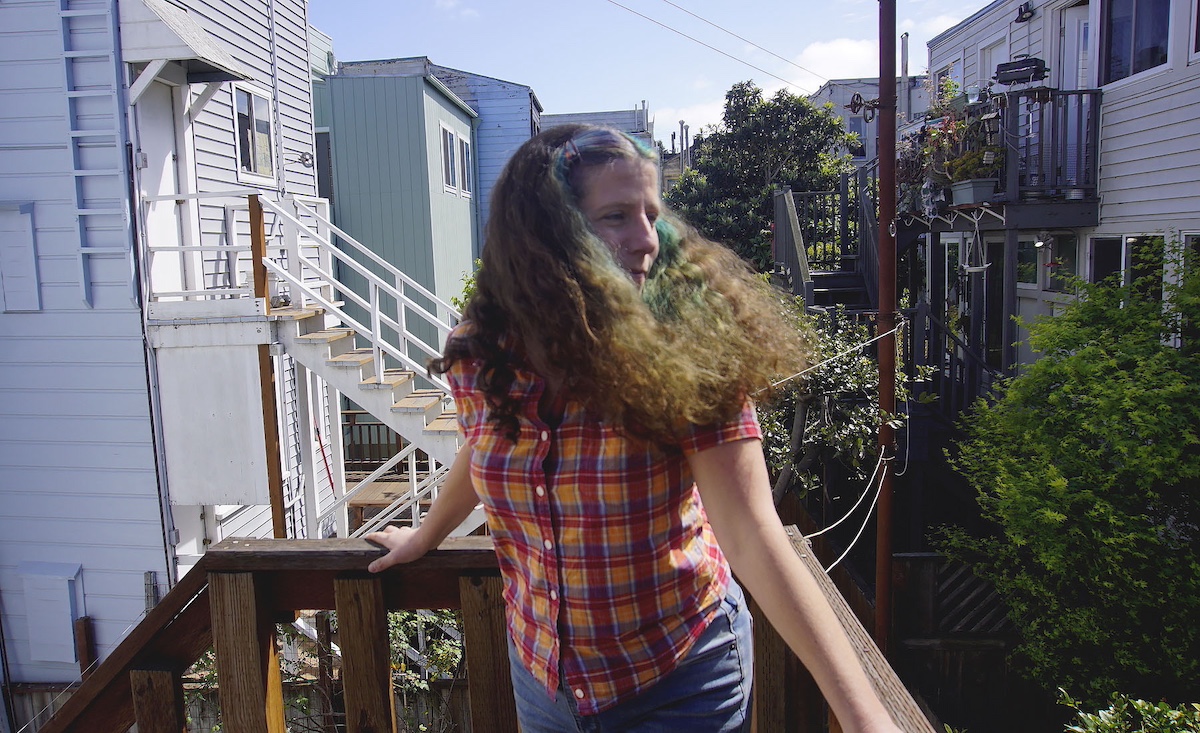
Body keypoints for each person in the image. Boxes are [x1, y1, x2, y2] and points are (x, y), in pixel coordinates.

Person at [367, 124, 902, 733]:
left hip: (677, 679)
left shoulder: (687, 351)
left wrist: (864, 719)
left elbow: (754, 535)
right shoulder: (481, 351)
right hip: (544, 682)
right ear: (546, 234)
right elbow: (488, 443)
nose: (647, 240)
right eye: (617, 216)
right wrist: (425, 535)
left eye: (651, 214)